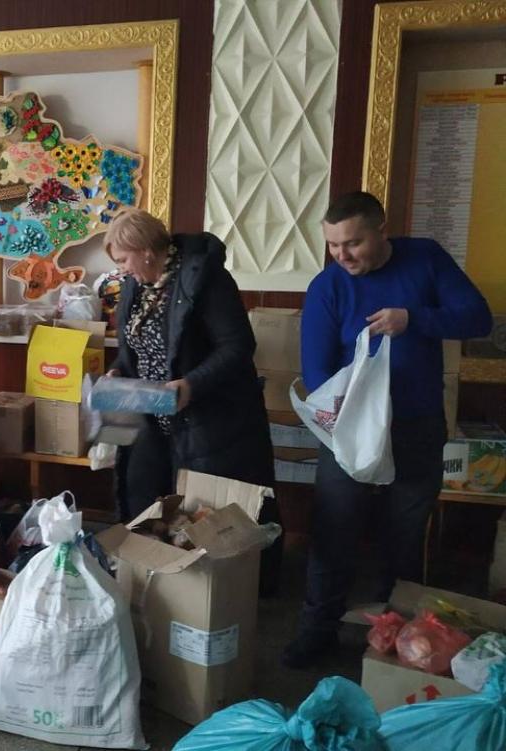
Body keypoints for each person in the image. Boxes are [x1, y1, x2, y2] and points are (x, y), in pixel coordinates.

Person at [282, 191, 493, 668]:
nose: (342, 255)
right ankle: (316, 631)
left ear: (381, 231)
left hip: (416, 425)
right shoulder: (328, 286)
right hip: (351, 432)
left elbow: (477, 318)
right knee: (334, 531)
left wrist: (414, 319)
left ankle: (398, 638)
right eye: (333, 245)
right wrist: (342, 415)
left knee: (403, 535)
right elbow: (316, 371)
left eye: (353, 243)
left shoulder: (425, 258)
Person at [105, 207, 281, 591]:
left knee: (208, 517)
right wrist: (118, 370)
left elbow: (238, 347)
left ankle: (222, 596)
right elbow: (135, 349)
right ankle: (154, 585)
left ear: (145, 251)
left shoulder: (205, 279)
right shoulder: (136, 286)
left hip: (208, 420)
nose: (121, 270)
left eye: (123, 260)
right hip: (151, 416)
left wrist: (191, 385)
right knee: (143, 499)